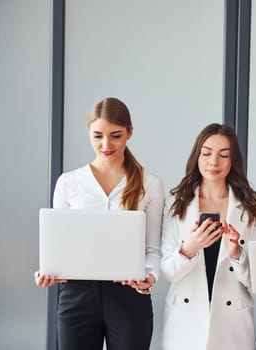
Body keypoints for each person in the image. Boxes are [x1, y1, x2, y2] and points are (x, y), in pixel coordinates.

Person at [34, 97, 164, 350]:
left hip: (129, 295)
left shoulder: (150, 185)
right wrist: (48, 271)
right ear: (88, 134)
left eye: (116, 135)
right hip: (76, 296)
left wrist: (149, 276)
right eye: (98, 136)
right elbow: (59, 244)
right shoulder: (69, 183)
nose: (106, 145)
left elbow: (153, 248)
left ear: (130, 132)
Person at [160, 123, 256, 350]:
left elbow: (254, 279)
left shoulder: (250, 206)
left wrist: (237, 253)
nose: (213, 162)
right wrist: (189, 248)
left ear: (233, 160)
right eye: (206, 153)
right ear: (197, 156)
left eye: (223, 155)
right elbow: (168, 271)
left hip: (232, 322)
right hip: (185, 320)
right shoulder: (176, 204)